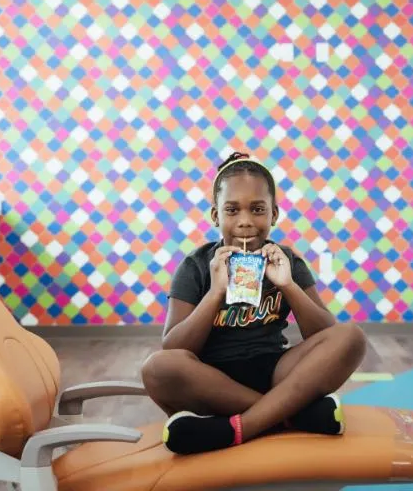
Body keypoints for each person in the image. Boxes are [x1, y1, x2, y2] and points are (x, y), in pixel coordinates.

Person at [141, 151, 368, 455]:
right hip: (213, 380)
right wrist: (215, 292)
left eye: (257, 209)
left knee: (351, 336)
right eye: (232, 210)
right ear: (216, 215)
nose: (245, 222)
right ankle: (290, 415)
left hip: (277, 372)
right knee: (157, 367)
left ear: (274, 214)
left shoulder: (287, 260)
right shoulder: (195, 266)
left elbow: (325, 332)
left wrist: (287, 285)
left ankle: (237, 427)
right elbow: (175, 347)